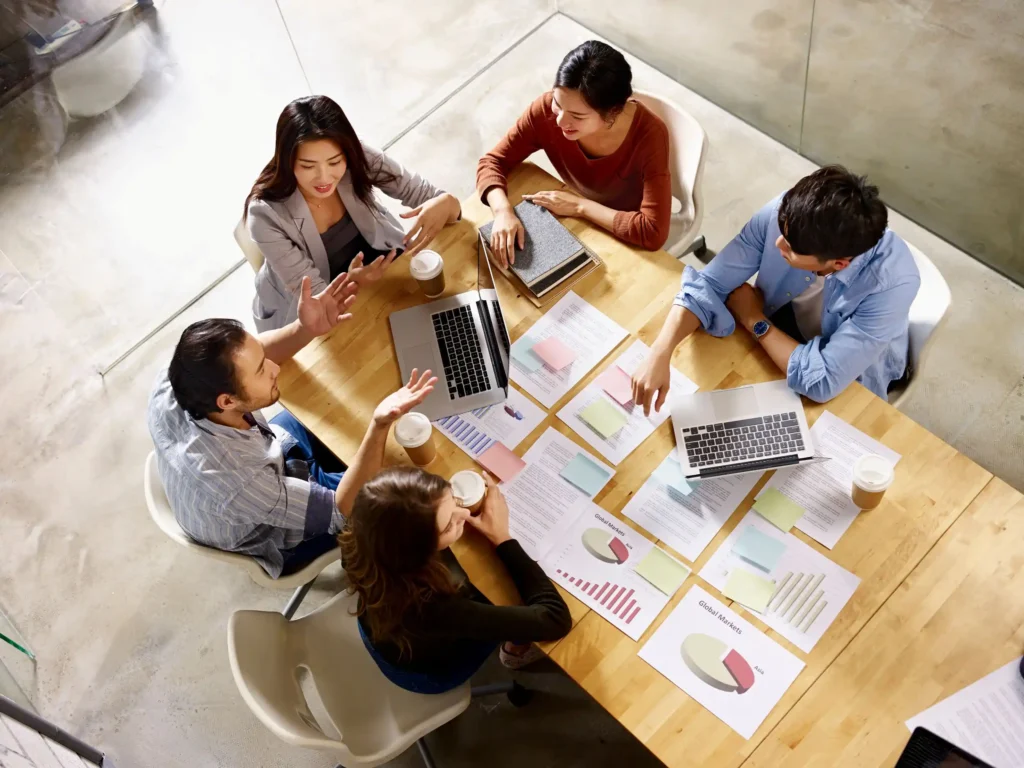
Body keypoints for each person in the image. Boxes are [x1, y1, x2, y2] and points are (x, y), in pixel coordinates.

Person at [147, 270, 438, 577]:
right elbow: (342, 511)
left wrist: (305, 329)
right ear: (227, 402)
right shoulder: (239, 482)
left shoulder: (177, 378)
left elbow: (253, 357)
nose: (274, 367)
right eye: (261, 370)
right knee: (408, 493)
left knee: (342, 422)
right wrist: (379, 425)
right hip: (273, 532)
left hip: (260, 464)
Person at [632, 165, 921, 410]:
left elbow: (822, 383)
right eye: (781, 233)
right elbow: (709, 284)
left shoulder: (890, 286)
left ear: (839, 264)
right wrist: (661, 351)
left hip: (852, 372)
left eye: (791, 248)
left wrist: (753, 319)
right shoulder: (788, 215)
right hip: (785, 325)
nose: (777, 244)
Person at [340, 468, 572, 693]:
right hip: (425, 672)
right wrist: (501, 536)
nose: (464, 514)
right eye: (449, 524)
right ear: (419, 553)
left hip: (380, 629)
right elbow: (555, 619)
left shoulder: (364, 533)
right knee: (503, 599)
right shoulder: (432, 607)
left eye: (454, 497)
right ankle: (515, 652)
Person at [245, 95, 462, 331]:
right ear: (286, 161)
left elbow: (425, 194)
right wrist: (354, 282)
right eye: (308, 166)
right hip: (314, 305)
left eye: (335, 162)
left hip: (377, 269)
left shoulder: (356, 155)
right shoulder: (264, 215)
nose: (324, 178)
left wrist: (446, 202)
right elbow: (317, 300)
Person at [476, 40, 671, 267]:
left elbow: (652, 231)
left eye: (577, 116)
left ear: (613, 113)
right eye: (558, 104)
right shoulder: (544, 111)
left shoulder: (650, 135)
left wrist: (579, 206)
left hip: (620, 229)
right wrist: (502, 211)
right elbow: (492, 161)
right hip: (575, 219)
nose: (559, 121)